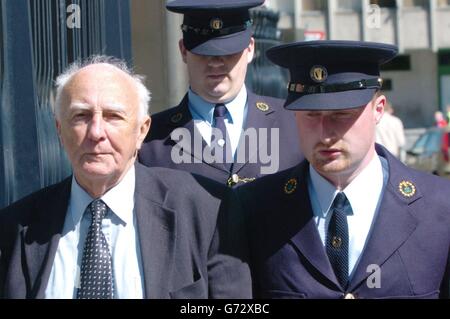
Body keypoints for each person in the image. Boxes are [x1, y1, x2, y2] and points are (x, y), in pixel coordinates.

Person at [0, 56, 251, 299]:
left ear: (142, 131)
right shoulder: (16, 226)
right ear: (59, 130)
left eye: (113, 116)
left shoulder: (206, 210)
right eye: (81, 116)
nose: (96, 132)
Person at [236, 40, 450, 299]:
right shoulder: (256, 209)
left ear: (378, 110)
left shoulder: (440, 207)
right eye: (311, 115)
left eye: (342, 114)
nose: (325, 134)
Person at [138, 0, 302, 188]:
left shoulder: (294, 123)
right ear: (183, 51)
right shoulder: (149, 140)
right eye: (204, 52)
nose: (216, 63)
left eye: (229, 52)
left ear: (250, 49)